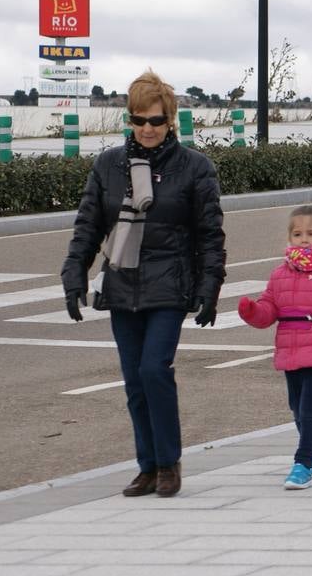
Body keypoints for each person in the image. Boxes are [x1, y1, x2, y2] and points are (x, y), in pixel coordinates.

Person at [61, 70, 225, 498]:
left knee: (155, 370)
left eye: (155, 120)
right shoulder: (107, 165)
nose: (147, 129)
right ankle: (147, 466)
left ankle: (169, 463)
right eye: (139, 120)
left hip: (170, 284)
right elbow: (89, 225)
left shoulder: (194, 168)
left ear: (171, 119)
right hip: (121, 283)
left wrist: (209, 288)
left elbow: (210, 235)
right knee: (133, 380)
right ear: (129, 120)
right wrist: (74, 272)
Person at [238, 205, 312, 489]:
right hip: (290, 349)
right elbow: (269, 308)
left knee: (309, 409)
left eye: (311, 233)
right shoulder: (280, 274)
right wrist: (252, 311)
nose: (304, 239)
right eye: (298, 233)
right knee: (296, 407)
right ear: (289, 238)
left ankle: (302, 463)